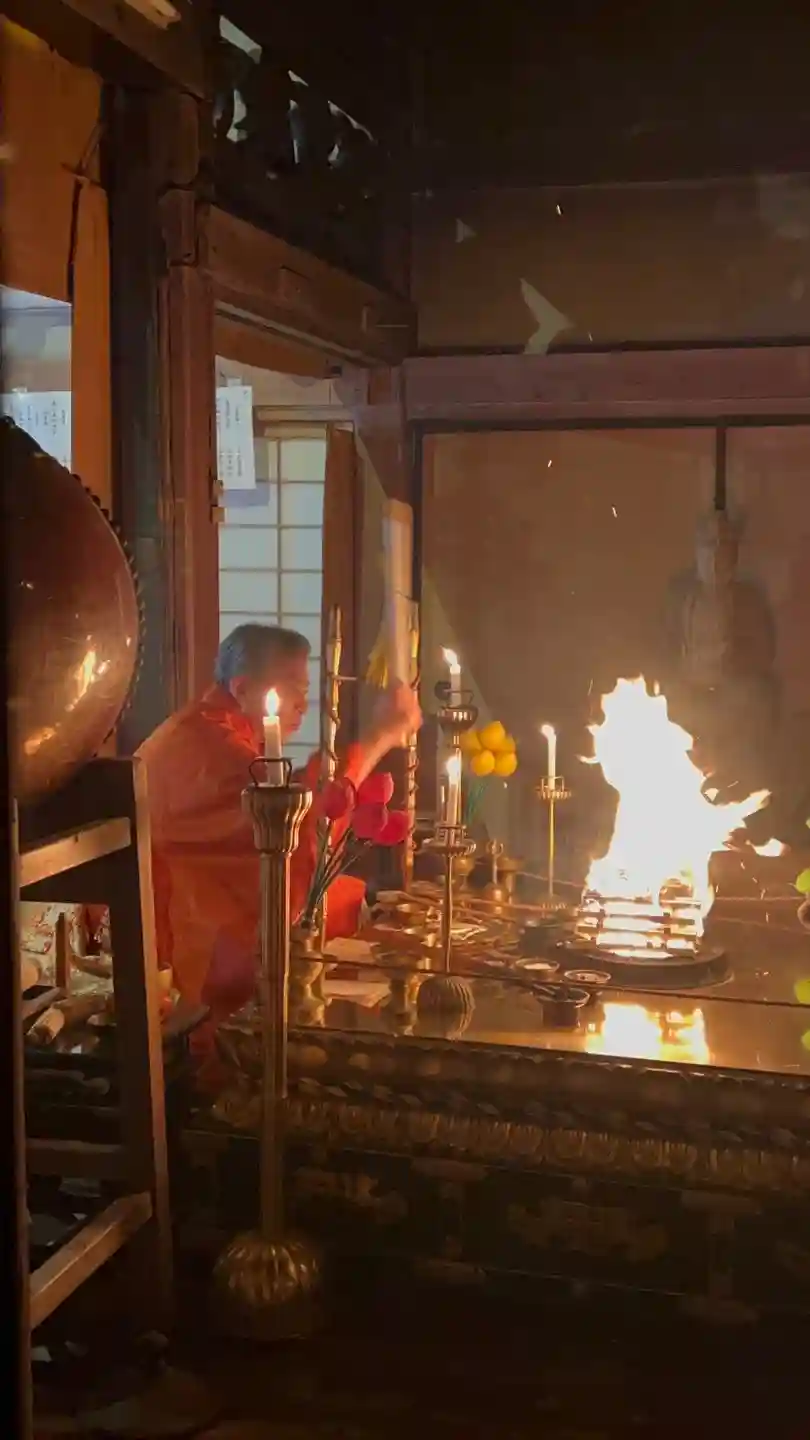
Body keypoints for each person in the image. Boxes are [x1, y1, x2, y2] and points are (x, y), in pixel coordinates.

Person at [137, 623, 421, 1023]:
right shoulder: (209, 746)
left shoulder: (204, 727)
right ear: (241, 689)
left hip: (184, 932)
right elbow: (295, 827)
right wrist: (380, 736)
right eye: (291, 691)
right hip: (190, 960)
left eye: (305, 691)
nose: (303, 706)